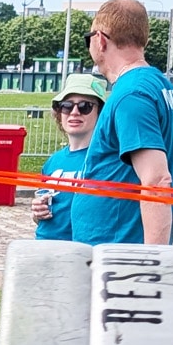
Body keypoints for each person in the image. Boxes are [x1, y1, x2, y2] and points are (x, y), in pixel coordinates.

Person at [71, 0, 173, 249]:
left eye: (88, 38)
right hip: (118, 252)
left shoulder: (131, 95)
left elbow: (157, 181)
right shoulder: (163, 88)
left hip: (118, 255)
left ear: (100, 39)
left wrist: (152, 265)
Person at [31, 73, 106, 241]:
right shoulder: (53, 161)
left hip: (82, 252)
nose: (74, 112)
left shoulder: (107, 161)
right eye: (66, 106)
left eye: (85, 106)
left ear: (100, 112)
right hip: (46, 248)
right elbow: (42, 216)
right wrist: (37, 211)